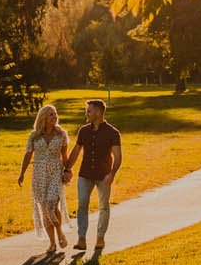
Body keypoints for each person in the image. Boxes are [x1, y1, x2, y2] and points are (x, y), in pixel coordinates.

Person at [64, 98, 122, 251]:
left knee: (103, 206)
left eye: (89, 111)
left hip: (104, 176)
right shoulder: (83, 130)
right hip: (85, 174)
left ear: (98, 112)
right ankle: (81, 239)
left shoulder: (113, 133)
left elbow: (118, 156)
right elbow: (76, 151)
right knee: (82, 204)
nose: (86, 113)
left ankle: (100, 238)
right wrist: (67, 168)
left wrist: (112, 174)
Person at [17, 104, 71, 254]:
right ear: (43, 118)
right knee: (45, 210)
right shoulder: (34, 135)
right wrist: (21, 173)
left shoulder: (61, 134)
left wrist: (68, 171)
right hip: (39, 174)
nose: (54, 117)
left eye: (55, 114)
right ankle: (52, 243)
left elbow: (65, 157)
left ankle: (60, 232)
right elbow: (28, 154)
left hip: (55, 172)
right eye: (51, 115)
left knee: (51, 203)